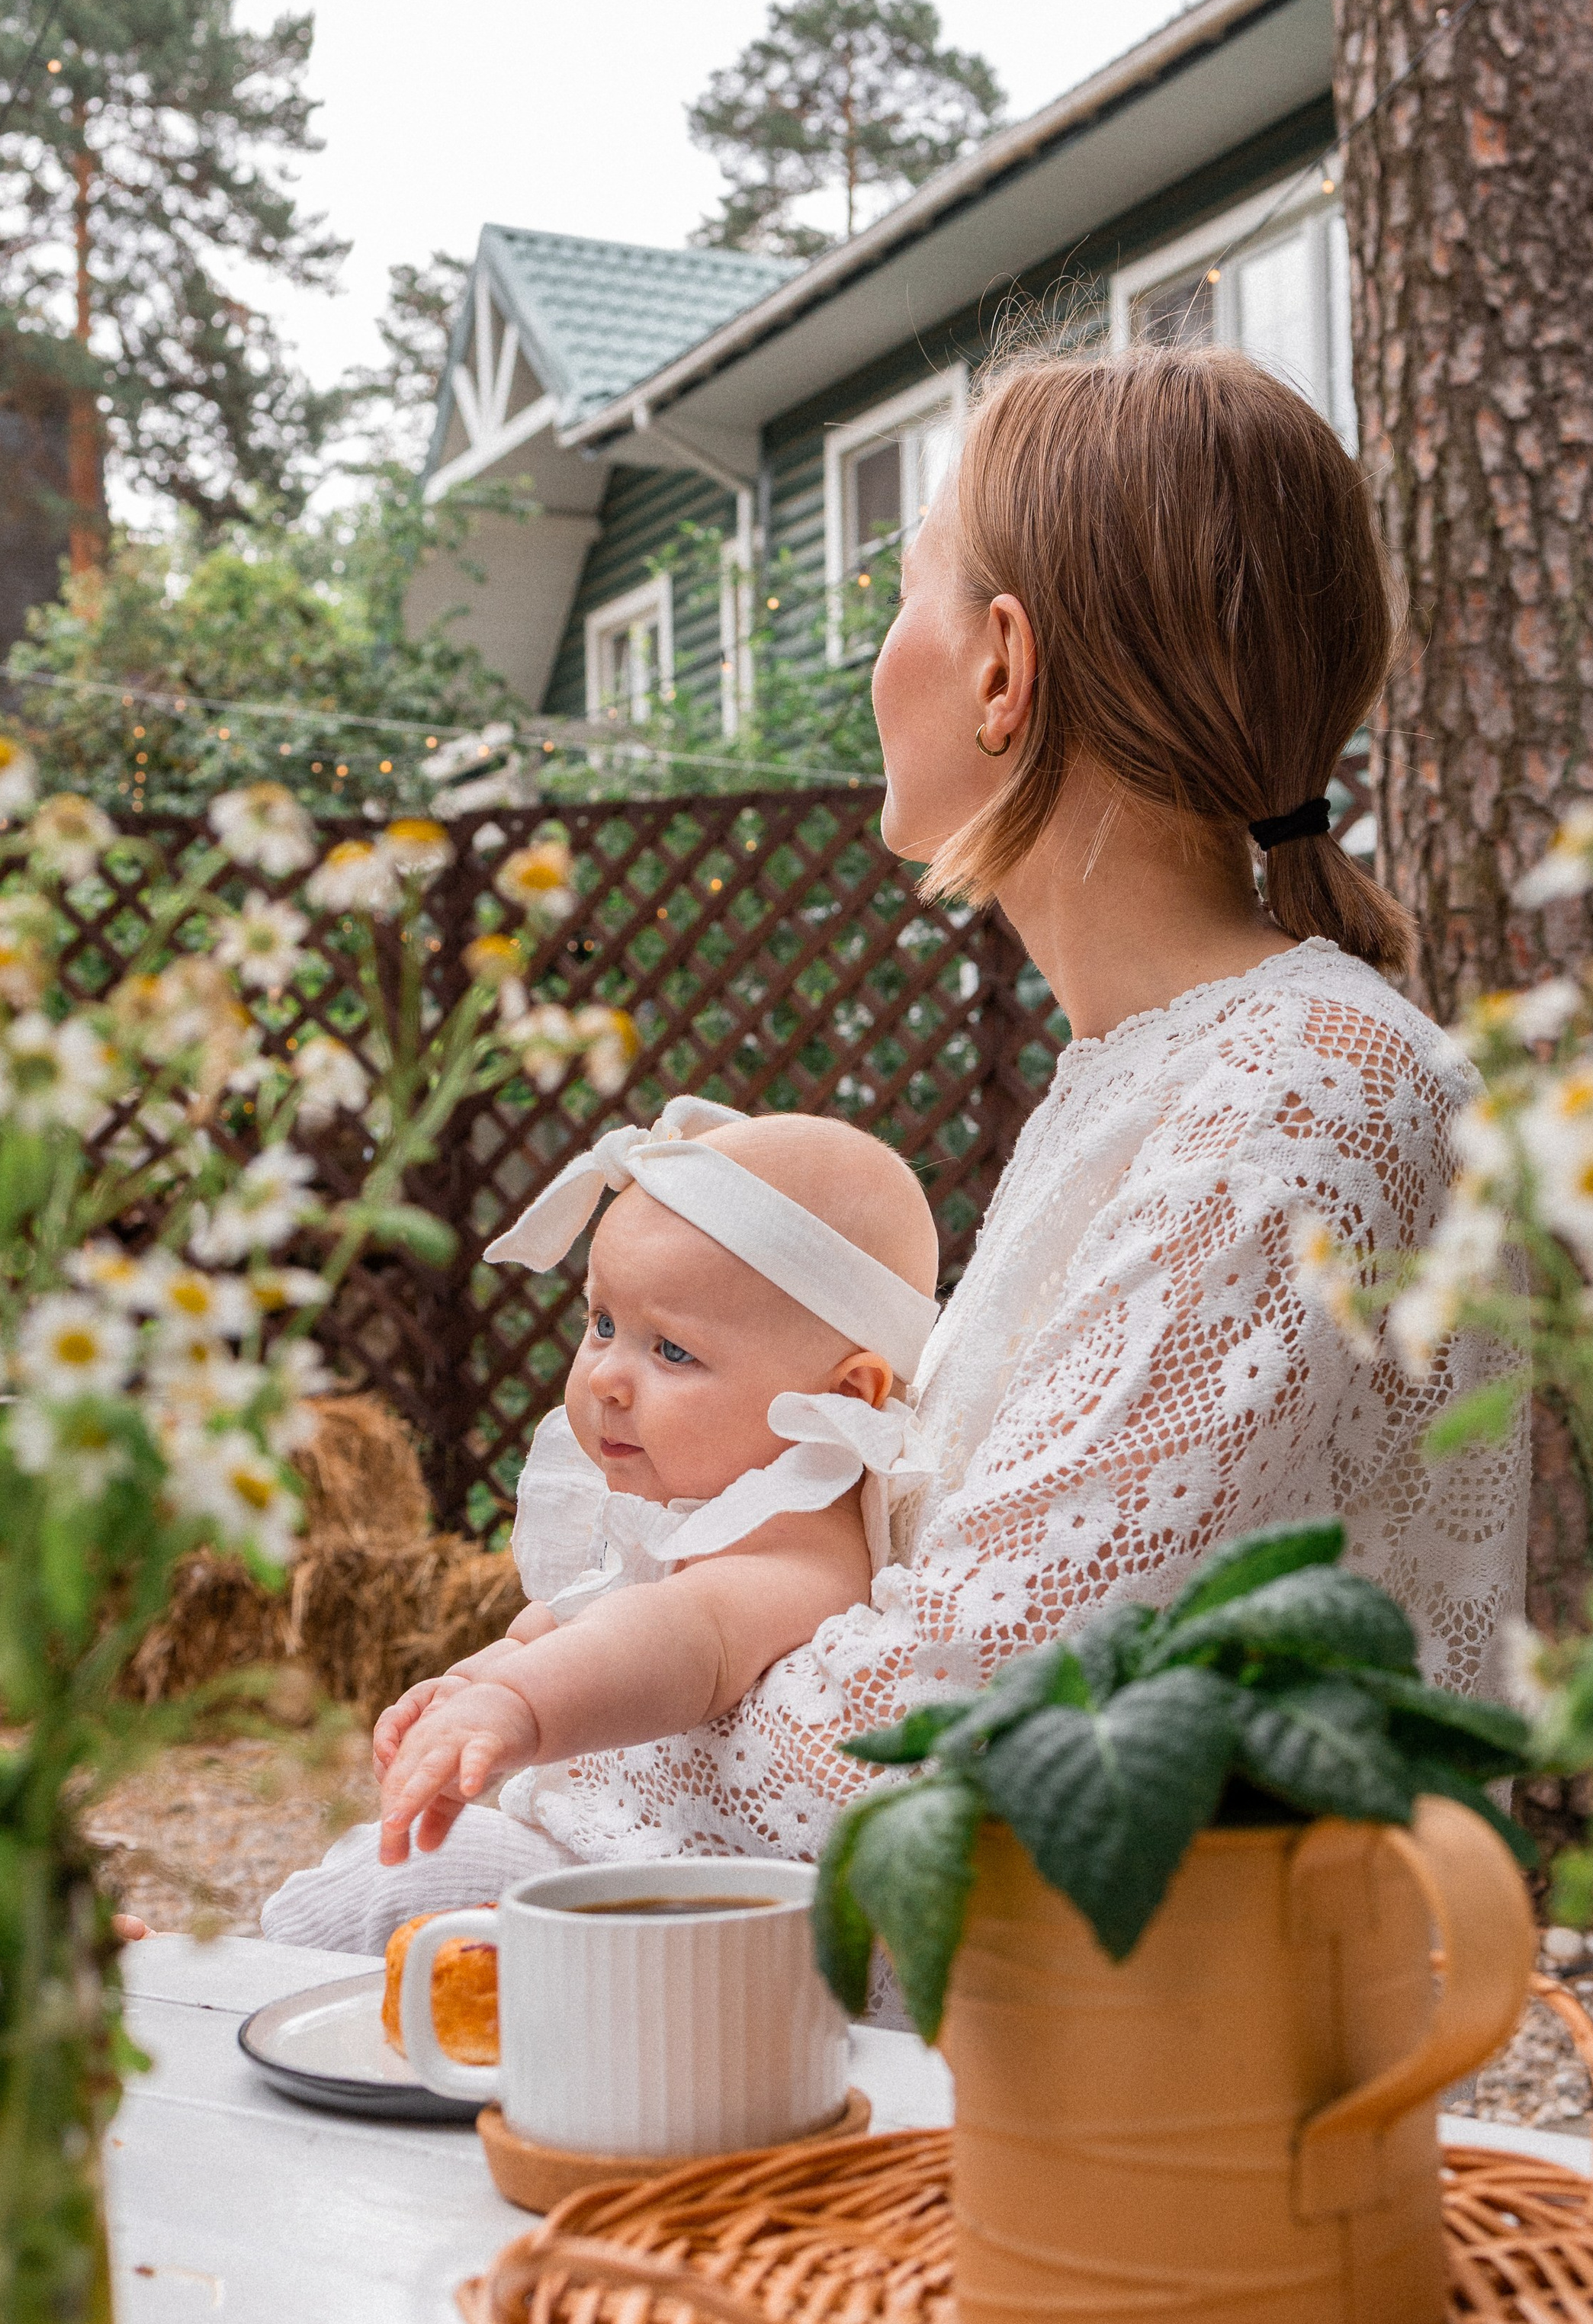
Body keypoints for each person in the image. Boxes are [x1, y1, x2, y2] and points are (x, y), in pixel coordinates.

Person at [264, 342, 1524, 1952]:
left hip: (1154, 2108)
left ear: (1003, 669)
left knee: (321, 1954)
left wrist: (564, 1761)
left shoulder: (1301, 1093)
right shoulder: (1181, 1075)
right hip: (1017, 2018)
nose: (877, 666)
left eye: (899, 602)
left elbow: (965, 1700)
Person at [259, 1104, 938, 1950]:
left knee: (412, 1879)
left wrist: (518, 1703)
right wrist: (479, 1679)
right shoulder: (703, 1511)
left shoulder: (798, 1541)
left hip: (686, 1918)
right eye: (603, 1324)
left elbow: (680, 1637)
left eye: (673, 1352)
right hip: (612, 1866)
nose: (607, 1378)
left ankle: (230, 1994)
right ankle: (244, 1977)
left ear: (842, 1400)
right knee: (389, 1876)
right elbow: (571, 1623)